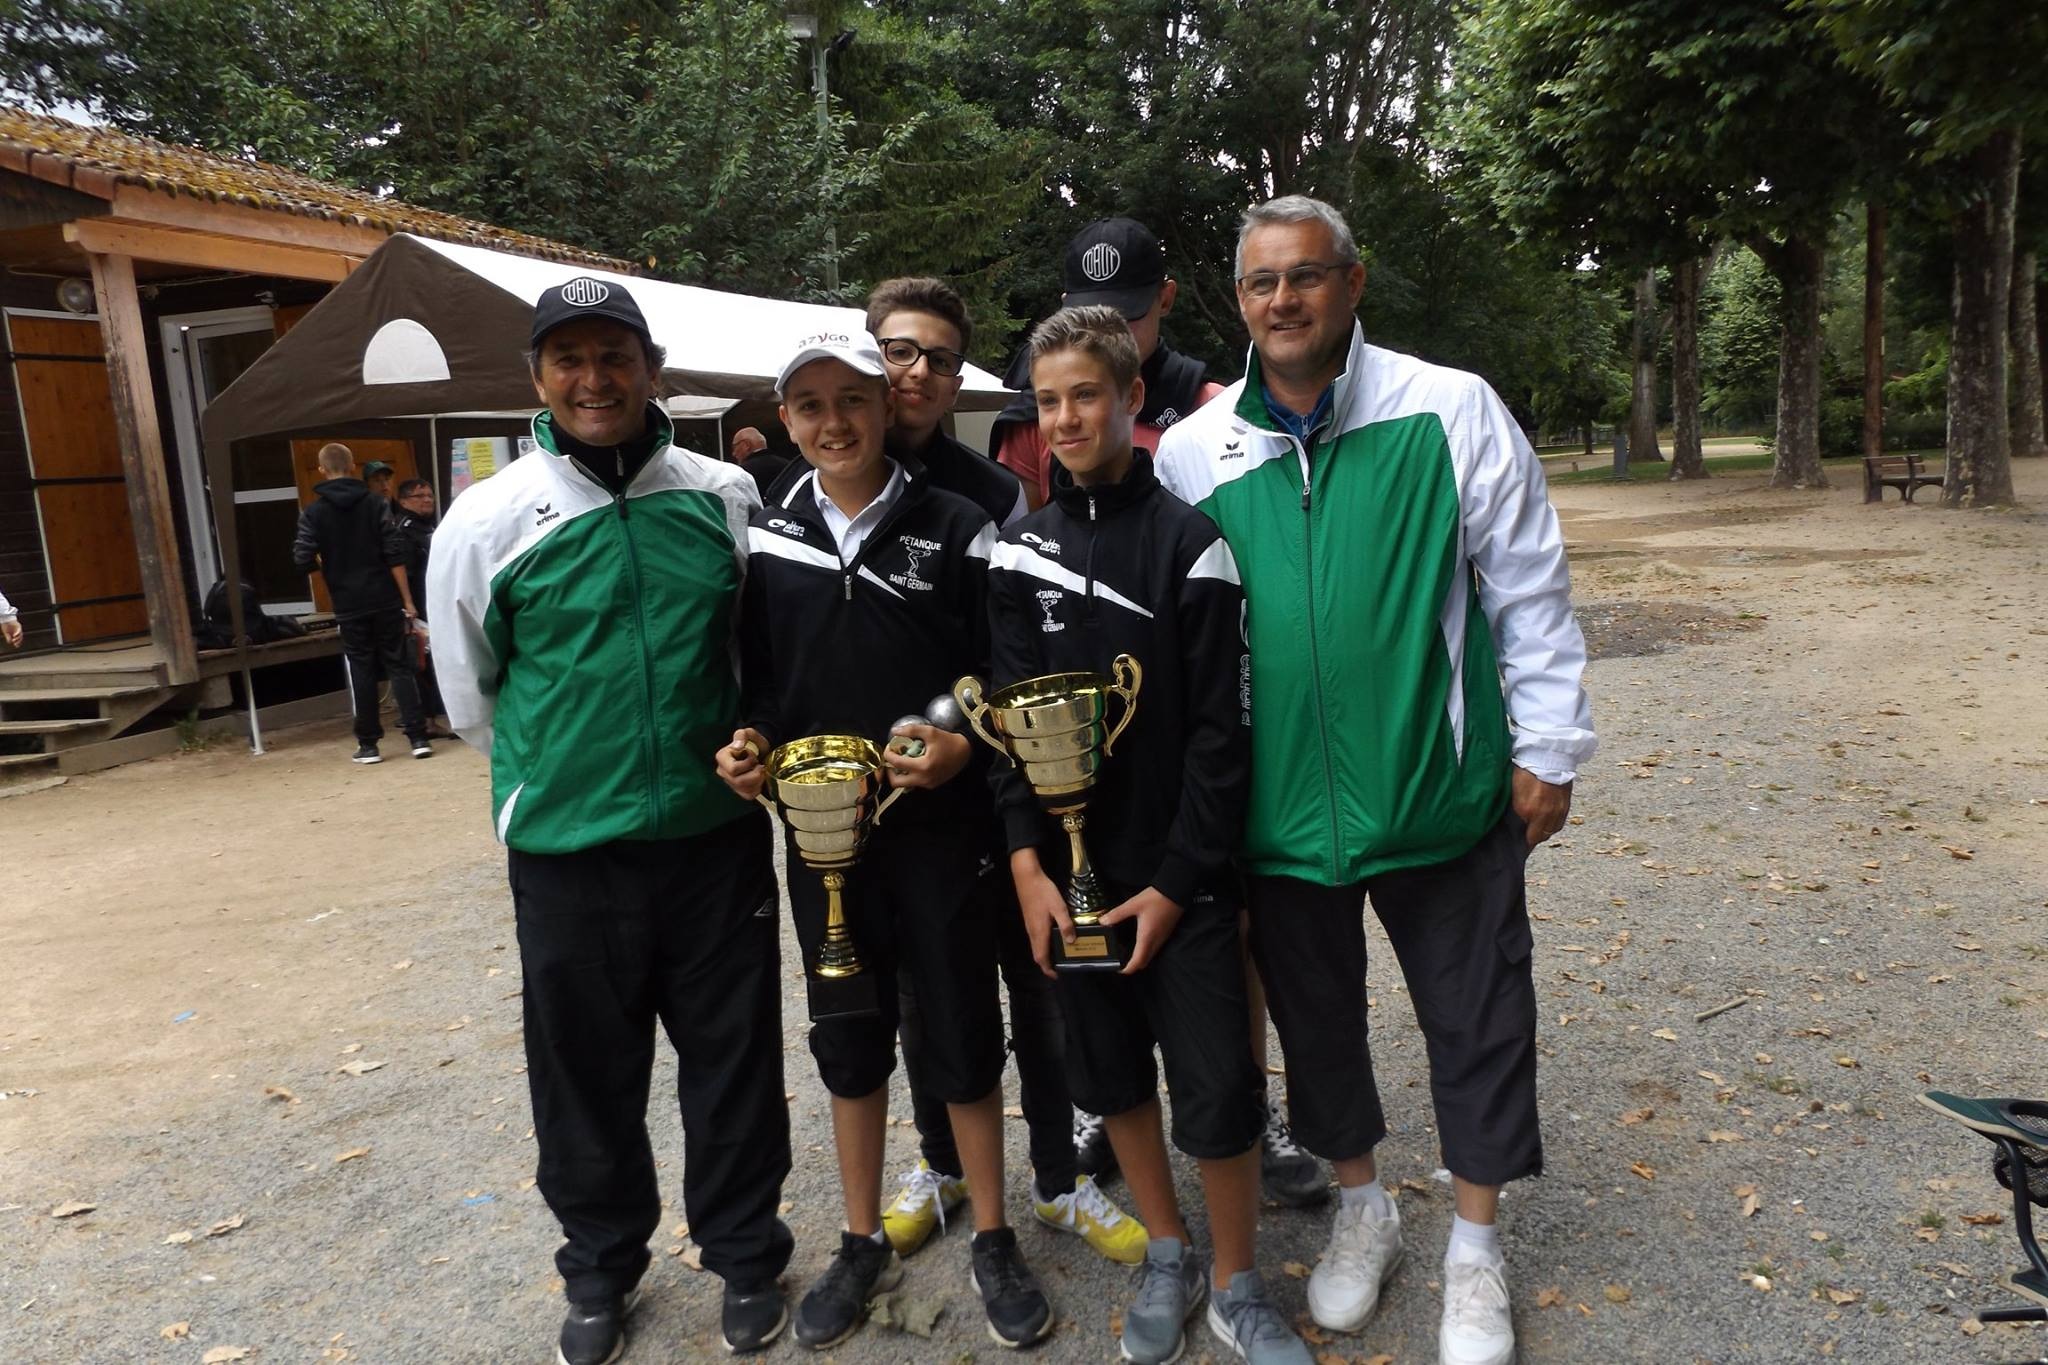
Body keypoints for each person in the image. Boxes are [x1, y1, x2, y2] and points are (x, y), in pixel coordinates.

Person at [1154, 196, 1597, 1365]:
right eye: (1260, 284)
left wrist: (1546, 748)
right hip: (1280, 813)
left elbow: (1526, 586)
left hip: (1439, 791)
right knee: (1315, 1024)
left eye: (1305, 277)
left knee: (1478, 1016)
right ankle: (1360, 1207)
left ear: (1352, 284)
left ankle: (1471, 1247)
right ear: (1236, 302)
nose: (1282, 301)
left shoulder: (1447, 408)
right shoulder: (1197, 450)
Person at [429, 277, 793, 1364]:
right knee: (585, 1074)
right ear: (536, 376)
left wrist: (750, 739)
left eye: (614, 356)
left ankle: (742, 1255)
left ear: (651, 364)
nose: (594, 380)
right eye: (568, 359)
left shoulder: (723, 494)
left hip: (710, 841)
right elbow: (472, 695)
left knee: (731, 1062)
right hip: (568, 855)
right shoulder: (489, 519)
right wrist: (566, 773)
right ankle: (598, 1271)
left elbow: (757, 657)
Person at [714, 330, 1055, 1351]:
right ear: (786, 421)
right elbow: (759, 686)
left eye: (850, 398)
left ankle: (992, 1231)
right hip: (826, 845)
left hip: (940, 834)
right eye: (809, 405)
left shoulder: (959, 522)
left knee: (956, 1029)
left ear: (886, 400)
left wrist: (956, 742)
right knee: (848, 1036)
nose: (833, 421)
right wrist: (748, 745)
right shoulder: (767, 537)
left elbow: (997, 666)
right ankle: (860, 1238)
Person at [993, 305, 1311, 1365]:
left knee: (1218, 1084)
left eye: (1087, 393)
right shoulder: (1014, 553)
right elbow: (1004, 731)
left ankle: (1235, 1281)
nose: (1068, 416)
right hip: (1075, 888)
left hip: (1184, 881)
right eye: (1048, 401)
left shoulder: (1192, 544)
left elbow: (1225, 736)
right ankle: (1167, 1250)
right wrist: (1032, 871)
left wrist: (1179, 882)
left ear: (1132, 400)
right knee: (1112, 1072)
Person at [853, 277, 1142, 1268]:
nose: (917, 372)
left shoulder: (993, 496)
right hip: (887, 811)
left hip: (1002, 791)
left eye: (937, 355)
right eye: (899, 350)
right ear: (869, 357)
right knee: (922, 998)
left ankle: (1059, 1178)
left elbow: (1017, 655)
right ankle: (941, 1168)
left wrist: (964, 740)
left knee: (1044, 984)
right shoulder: (815, 486)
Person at [989, 217, 1227, 509]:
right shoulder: (1030, 419)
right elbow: (1025, 539)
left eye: (1127, 314)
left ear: (1165, 299)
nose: (1107, 330)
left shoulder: (1214, 409)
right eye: (1089, 316)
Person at [291, 442, 431, 764]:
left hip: (347, 599)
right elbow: (392, 552)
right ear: (353, 466)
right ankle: (417, 736)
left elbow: (301, 557)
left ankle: (369, 744)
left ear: (322, 469)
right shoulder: (376, 504)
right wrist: (407, 599)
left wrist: (327, 568)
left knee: (361, 668)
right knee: (398, 665)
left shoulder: (314, 511)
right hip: (384, 594)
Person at [390, 478, 448, 735]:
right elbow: (406, 572)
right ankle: (427, 720)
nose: (427, 500)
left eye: (429, 495)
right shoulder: (404, 529)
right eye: (419, 496)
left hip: (436, 605)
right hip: (419, 609)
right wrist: (409, 605)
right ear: (403, 501)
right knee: (423, 665)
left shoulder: (427, 526)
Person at [729, 425, 792, 498]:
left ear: (746, 445)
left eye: (734, 447)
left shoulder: (742, 473)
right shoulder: (788, 466)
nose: (733, 453)